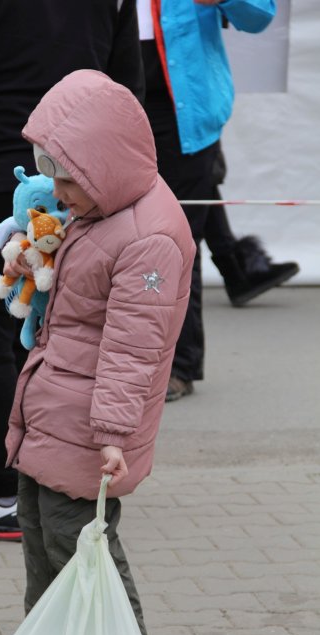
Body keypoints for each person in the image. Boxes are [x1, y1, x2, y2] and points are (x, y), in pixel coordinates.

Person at [0, 69, 196, 635]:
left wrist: (111, 432)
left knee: (79, 542)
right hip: (58, 408)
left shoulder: (148, 237)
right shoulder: (103, 207)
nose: (57, 191)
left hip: (90, 423)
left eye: (66, 178)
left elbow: (135, 348)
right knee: (38, 529)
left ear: (102, 164)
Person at [0, 0, 145, 537]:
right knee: (56, 339)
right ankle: (50, 485)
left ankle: (2, 491)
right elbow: (125, 92)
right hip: (74, 191)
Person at [137, 0, 276, 402]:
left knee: (177, 244)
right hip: (117, 103)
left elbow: (260, 15)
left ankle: (180, 365)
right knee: (112, 240)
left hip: (183, 116)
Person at [203, 144, 299, 307]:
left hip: (191, 139)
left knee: (202, 184)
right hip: (182, 139)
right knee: (194, 184)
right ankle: (235, 272)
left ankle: (236, 272)